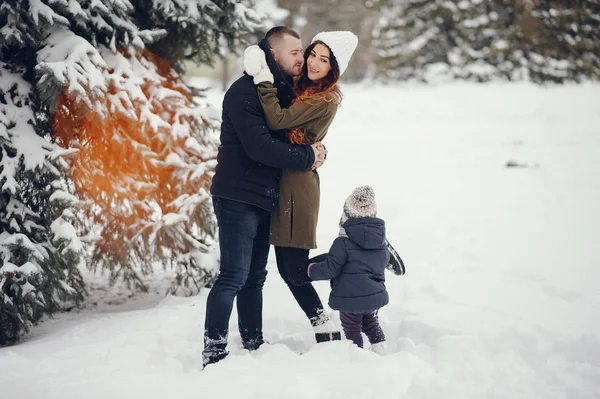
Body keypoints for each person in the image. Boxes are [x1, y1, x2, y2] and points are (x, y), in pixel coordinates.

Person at [203, 26, 328, 367]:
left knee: (255, 277)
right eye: (294, 53)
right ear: (273, 55)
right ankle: (213, 349)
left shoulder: (277, 89)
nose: (301, 59)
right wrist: (307, 157)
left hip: (264, 197)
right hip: (237, 196)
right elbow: (260, 147)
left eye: (303, 52)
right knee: (233, 275)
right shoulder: (244, 92)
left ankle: (253, 341)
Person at [243, 31, 358, 342]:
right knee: (288, 269)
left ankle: (355, 261)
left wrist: (264, 79)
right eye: (313, 54)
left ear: (334, 68)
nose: (314, 63)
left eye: (325, 60)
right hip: (286, 180)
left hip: (298, 187)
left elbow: (279, 120)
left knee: (293, 270)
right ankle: (326, 328)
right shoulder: (303, 88)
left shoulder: (325, 98)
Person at [307, 186, 389, 353]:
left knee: (352, 328)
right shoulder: (381, 243)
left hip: (349, 299)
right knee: (371, 323)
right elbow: (384, 261)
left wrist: (311, 270)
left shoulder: (342, 243)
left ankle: (357, 356)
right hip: (373, 297)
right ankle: (381, 350)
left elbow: (330, 268)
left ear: (346, 216)